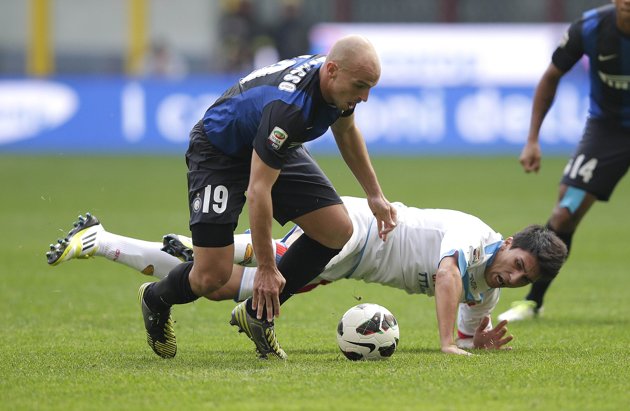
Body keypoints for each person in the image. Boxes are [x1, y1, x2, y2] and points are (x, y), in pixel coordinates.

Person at [134, 35, 397, 359]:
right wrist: (267, 268)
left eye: (370, 87)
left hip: (271, 144)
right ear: (331, 71)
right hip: (219, 151)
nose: (365, 97)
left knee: (337, 229)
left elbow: (346, 131)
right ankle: (155, 298)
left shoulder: (340, 84)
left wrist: (375, 195)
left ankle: (256, 315)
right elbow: (259, 192)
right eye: (360, 86)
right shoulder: (290, 109)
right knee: (211, 276)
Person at [46, 196, 567, 357]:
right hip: (359, 228)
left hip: (349, 265)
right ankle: (209, 245)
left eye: (524, 280)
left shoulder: (487, 293)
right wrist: (449, 344)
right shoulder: (474, 236)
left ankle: (104, 240)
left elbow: (468, 335)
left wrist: (476, 344)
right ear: (510, 243)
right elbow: (447, 275)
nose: (513, 277)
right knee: (263, 266)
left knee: (223, 284)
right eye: (519, 264)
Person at [499, 0, 630, 322]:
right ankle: (533, 302)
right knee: (565, 212)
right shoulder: (589, 28)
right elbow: (551, 76)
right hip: (608, 131)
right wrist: (532, 139)